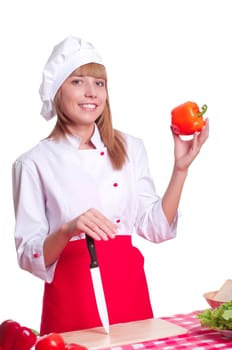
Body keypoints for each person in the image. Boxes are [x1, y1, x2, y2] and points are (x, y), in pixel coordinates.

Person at [12, 36, 209, 335]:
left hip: (130, 294)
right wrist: (69, 228)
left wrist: (180, 169)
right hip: (72, 302)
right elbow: (29, 254)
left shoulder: (130, 147)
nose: (91, 92)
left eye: (99, 83)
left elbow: (156, 228)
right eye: (77, 81)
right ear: (57, 91)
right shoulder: (34, 163)